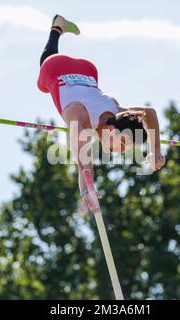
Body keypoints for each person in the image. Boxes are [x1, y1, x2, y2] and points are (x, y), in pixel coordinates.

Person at [37, 15, 166, 213]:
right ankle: (56, 29)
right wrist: (86, 192)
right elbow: (83, 163)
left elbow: (148, 113)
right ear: (112, 129)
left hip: (87, 70)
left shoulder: (117, 111)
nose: (121, 151)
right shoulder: (80, 117)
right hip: (56, 67)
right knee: (43, 78)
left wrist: (154, 149)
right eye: (122, 143)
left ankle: (58, 28)